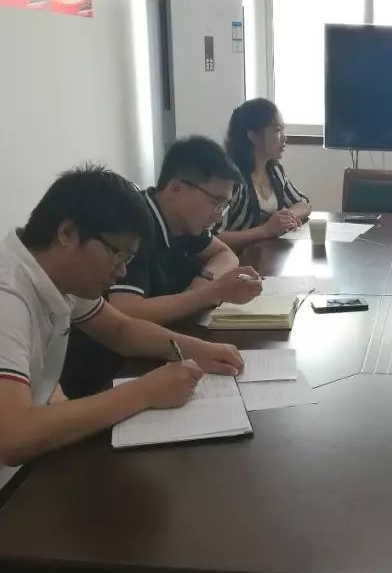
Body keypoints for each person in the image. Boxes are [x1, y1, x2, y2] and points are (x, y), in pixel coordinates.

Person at [0, 165, 245, 558]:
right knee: (140, 514)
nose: (122, 271)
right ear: (67, 233)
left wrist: (197, 349)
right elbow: (14, 438)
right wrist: (145, 391)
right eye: (117, 254)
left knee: (151, 485)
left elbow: (120, 330)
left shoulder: (48, 272)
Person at [60, 137, 262, 397]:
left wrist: (202, 284)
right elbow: (126, 312)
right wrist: (206, 295)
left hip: (145, 354)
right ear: (176, 189)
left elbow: (225, 255)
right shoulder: (134, 226)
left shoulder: (186, 223)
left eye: (224, 206)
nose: (218, 215)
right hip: (106, 373)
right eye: (215, 202)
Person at [218, 99, 312, 250]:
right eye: (277, 130)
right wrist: (265, 231)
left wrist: (287, 216)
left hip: (270, 255)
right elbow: (213, 236)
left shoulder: (275, 170)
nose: (284, 138)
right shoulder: (230, 178)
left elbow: (304, 204)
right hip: (238, 259)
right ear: (253, 136)